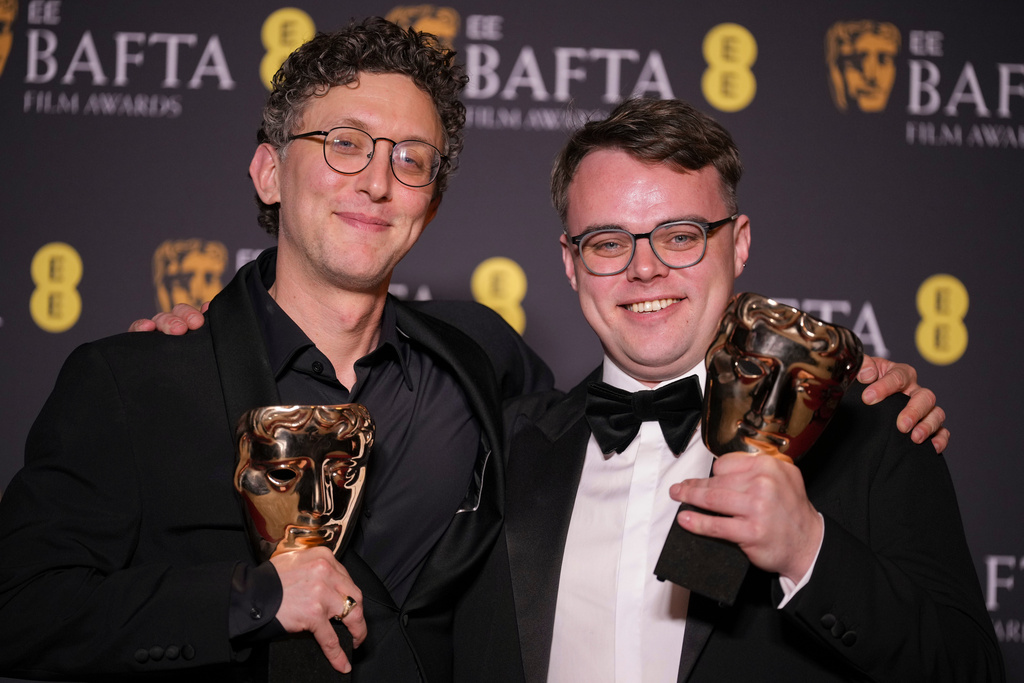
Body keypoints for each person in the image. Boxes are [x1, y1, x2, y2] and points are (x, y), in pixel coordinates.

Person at [0, 17, 553, 681]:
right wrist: (249, 599)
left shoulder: (482, 355)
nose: (377, 181)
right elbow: (20, 608)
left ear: (429, 203)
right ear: (270, 173)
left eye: (410, 158)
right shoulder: (137, 381)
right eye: (344, 143)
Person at [455, 98, 1002, 682]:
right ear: (571, 262)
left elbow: (970, 671)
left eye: (680, 236)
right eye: (609, 242)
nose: (645, 269)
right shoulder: (496, 450)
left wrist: (809, 550)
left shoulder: (870, 432)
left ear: (738, 243)